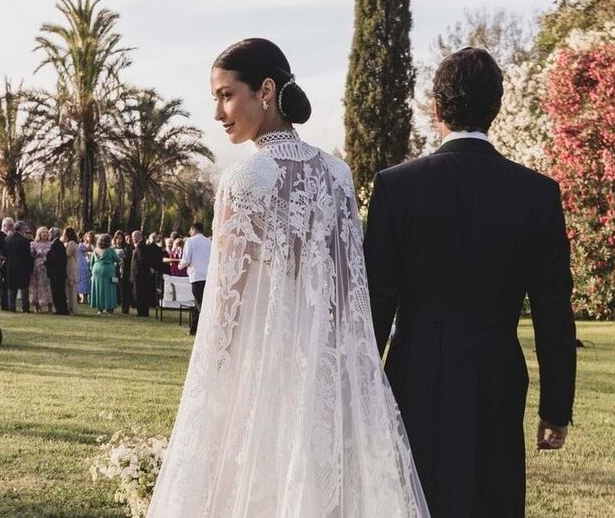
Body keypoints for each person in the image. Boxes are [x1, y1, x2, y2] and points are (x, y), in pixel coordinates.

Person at [147, 38, 428, 516]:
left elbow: (224, 308)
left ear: (267, 91)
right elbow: (349, 289)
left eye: (225, 95)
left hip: (265, 371)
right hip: (329, 369)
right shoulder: (338, 175)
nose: (217, 112)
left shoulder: (244, 180)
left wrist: (210, 395)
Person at [364, 48, 578, 516]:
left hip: (416, 369)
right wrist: (555, 407)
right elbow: (553, 309)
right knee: (492, 497)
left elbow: (375, 302)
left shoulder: (396, 185)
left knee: (414, 497)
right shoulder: (538, 193)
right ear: (496, 108)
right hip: (497, 369)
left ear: (436, 108)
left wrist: (358, 389)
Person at [178, 222, 211, 336]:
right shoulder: (209, 242)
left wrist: (180, 265)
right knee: (198, 304)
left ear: (194, 230)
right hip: (207, 276)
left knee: (200, 304)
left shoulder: (190, 241)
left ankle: (209, 330)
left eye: (190, 231)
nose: (190, 233)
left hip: (196, 276)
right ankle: (194, 329)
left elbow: (186, 259)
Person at [131, 231, 162, 317]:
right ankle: (142, 311)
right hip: (141, 273)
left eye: (134, 236)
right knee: (140, 293)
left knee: (139, 293)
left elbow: (141, 260)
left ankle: (142, 312)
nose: (132, 238)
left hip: (139, 273)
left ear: (139, 237)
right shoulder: (142, 245)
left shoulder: (141, 246)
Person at [4, 221, 32, 313]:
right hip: (22, 266)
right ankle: (25, 307)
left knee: (12, 287)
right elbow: (27, 255)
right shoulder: (24, 241)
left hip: (10, 265)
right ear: (22, 229)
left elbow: (5, 253)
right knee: (24, 287)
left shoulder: (7, 239)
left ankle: (11, 306)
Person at [89, 233, 119, 315]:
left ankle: (100, 308)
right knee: (109, 289)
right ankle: (109, 308)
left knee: (98, 289)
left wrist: (92, 272)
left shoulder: (95, 250)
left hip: (96, 270)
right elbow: (117, 259)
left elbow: (91, 262)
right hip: (108, 271)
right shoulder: (110, 250)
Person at [29, 227, 54, 313]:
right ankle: (36, 306)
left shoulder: (51, 244)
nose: (45, 234)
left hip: (47, 267)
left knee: (47, 286)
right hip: (37, 267)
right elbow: (31, 255)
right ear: (39, 234)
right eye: (43, 232)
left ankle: (50, 306)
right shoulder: (34, 244)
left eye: (46, 233)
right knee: (36, 286)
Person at [47, 227, 69, 315]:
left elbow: (54, 258)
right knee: (60, 291)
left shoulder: (55, 244)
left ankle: (60, 309)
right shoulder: (59, 244)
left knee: (57, 291)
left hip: (56, 272)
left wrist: (46, 261)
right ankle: (62, 309)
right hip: (59, 272)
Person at [114, 230, 134, 314]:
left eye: (120, 238)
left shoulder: (127, 248)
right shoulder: (113, 248)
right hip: (115, 271)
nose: (119, 240)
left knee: (124, 291)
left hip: (124, 272)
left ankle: (125, 309)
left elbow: (129, 260)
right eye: (117, 238)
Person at [0, 218, 14, 310]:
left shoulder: (13, 235)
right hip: (3, 261)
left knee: (9, 283)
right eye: (9, 225)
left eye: (12, 225)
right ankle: (4, 305)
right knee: (3, 283)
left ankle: (10, 304)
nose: (11, 227)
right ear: (4, 226)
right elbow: (0, 247)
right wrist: (8, 238)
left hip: (11, 262)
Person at [63, 228, 79, 314]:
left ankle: (72, 307)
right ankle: (70, 306)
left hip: (70, 265)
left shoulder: (71, 243)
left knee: (71, 286)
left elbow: (67, 254)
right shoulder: (73, 243)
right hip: (71, 264)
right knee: (69, 288)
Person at [77, 232, 93, 304]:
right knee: (82, 279)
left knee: (85, 280)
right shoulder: (80, 245)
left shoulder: (83, 245)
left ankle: (85, 297)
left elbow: (90, 249)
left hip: (86, 263)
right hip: (82, 263)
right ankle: (82, 297)